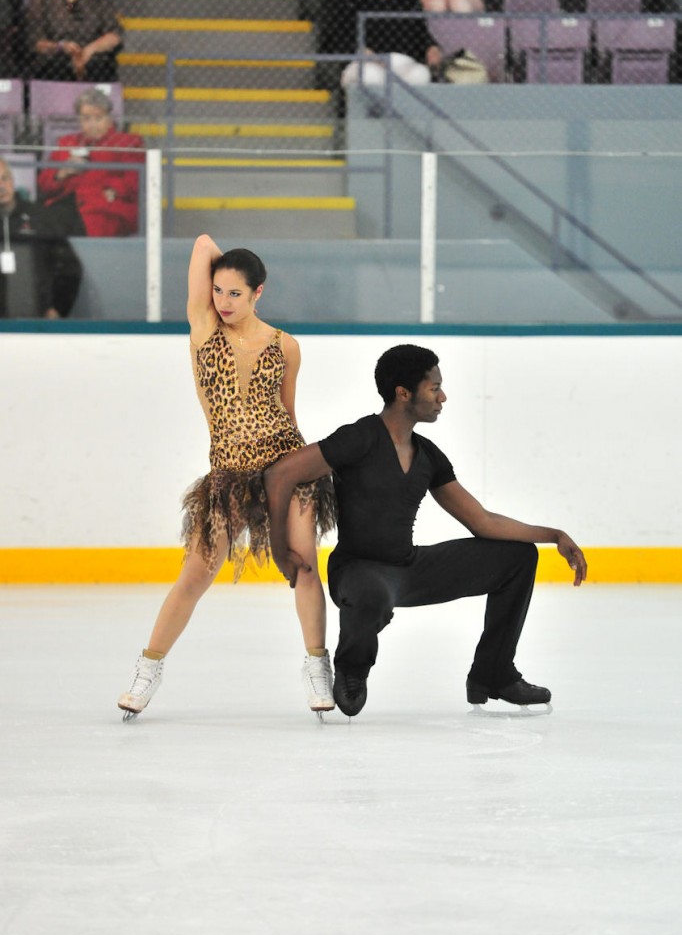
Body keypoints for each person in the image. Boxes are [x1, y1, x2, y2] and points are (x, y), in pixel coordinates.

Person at [264, 344, 587, 717]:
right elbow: (280, 475)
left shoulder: (428, 455)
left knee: (517, 557)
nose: (442, 396)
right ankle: (353, 668)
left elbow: (481, 521)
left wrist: (553, 535)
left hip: (409, 569)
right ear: (404, 393)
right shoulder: (359, 437)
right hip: (357, 571)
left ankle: (493, 672)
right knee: (371, 592)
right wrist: (279, 551)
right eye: (434, 388)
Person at [117, 236, 337, 719]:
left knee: (301, 565)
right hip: (228, 473)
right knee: (195, 574)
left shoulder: (286, 346)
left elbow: (289, 413)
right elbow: (201, 245)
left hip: (285, 468)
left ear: (260, 292)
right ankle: (148, 667)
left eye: (236, 293)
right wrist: (222, 269)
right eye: (218, 290)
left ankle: (318, 664)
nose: (223, 301)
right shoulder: (203, 330)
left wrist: (303, 474)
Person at [37, 87, 145, 238]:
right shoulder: (67, 142)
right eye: (86, 118)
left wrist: (114, 190)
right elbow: (44, 184)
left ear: (109, 119)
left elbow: (136, 179)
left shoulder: (128, 142)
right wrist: (62, 172)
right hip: (65, 205)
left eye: (98, 118)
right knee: (42, 222)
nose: (92, 124)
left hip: (105, 207)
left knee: (92, 223)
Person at [0, 157, 82, 319]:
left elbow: (69, 269)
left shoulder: (41, 218)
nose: (2, 186)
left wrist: (58, 308)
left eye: (5, 178)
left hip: (36, 320)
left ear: (13, 179)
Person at [336, 0, 443, 88]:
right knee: (370, 76)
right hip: (364, 63)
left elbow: (420, 32)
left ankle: (402, 106)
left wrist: (431, 47)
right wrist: (359, 48)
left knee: (420, 75)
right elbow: (339, 35)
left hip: (400, 62)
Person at [26, 0, 123, 82]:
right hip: (54, 70)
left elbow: (114, 35)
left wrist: (90, 50)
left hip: (96, 69)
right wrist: (60, 47)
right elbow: (36, 42)